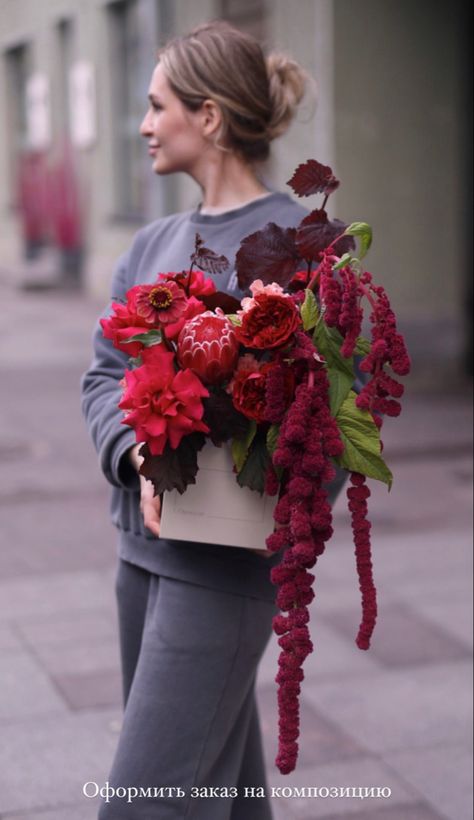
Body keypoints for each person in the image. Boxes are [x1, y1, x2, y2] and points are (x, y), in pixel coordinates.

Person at [81, 20, 343, 820]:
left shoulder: (307, 250)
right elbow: (101, 375)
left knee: (145, 801)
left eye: (157, 106)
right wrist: (135, 456)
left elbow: (337, 425)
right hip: (141, 556)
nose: (144, 125)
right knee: (220, 795)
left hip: (224, 568)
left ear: (209, 118)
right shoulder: (151, 245)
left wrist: (278, 487)